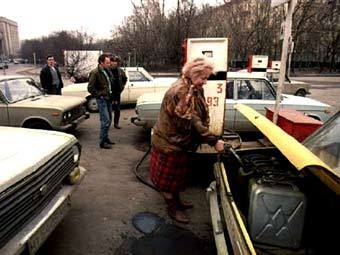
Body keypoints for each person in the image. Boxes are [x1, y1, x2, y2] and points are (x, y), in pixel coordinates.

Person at [150, 57, 225, 223]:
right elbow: (193, 121)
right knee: (166, 183)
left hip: (178, 143)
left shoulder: (193, 86)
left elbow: (199, 114)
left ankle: (177, 201)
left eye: (207, 78)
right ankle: (172, 209)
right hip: (169, 144)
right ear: (192, 74)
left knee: (175, 180)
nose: (205, 82)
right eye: (203, 78)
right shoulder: (181, 92)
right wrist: (214, 141)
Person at [88, 53, 115, 149]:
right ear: (101, 62)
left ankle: (106, 138)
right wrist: (100, 95)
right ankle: (102, 142)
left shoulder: (107, 71)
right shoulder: (95, 72)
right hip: (102, 99)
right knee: (106, 121)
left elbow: (109, 83)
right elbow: (90, 88)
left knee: (109, 119)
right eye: (107, 63)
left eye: (109, 62)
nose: (109, 64)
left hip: (108, 99)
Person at [109, 56, 127, 129]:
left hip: (117, 93)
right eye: (112, 62)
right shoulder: (107, 70)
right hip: (109, 93)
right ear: (110, 63)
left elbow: (125, 79)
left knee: (117, 109)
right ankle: (107, 124)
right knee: (109, 109)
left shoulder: (120, 71)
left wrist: (122, 87)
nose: (114, 64)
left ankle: (116, 123)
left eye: (115, 63)